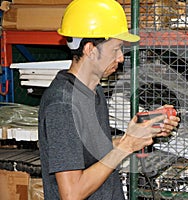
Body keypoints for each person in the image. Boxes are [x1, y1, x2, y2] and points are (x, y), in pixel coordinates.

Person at [38, 0, 180, 199]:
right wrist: (126, 145)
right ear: (90, 49)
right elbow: (71, 193)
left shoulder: (92, 90)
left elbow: (92, 154)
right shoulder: (62, 105)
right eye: (115, 49)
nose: (121, 57)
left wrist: (138, 131)